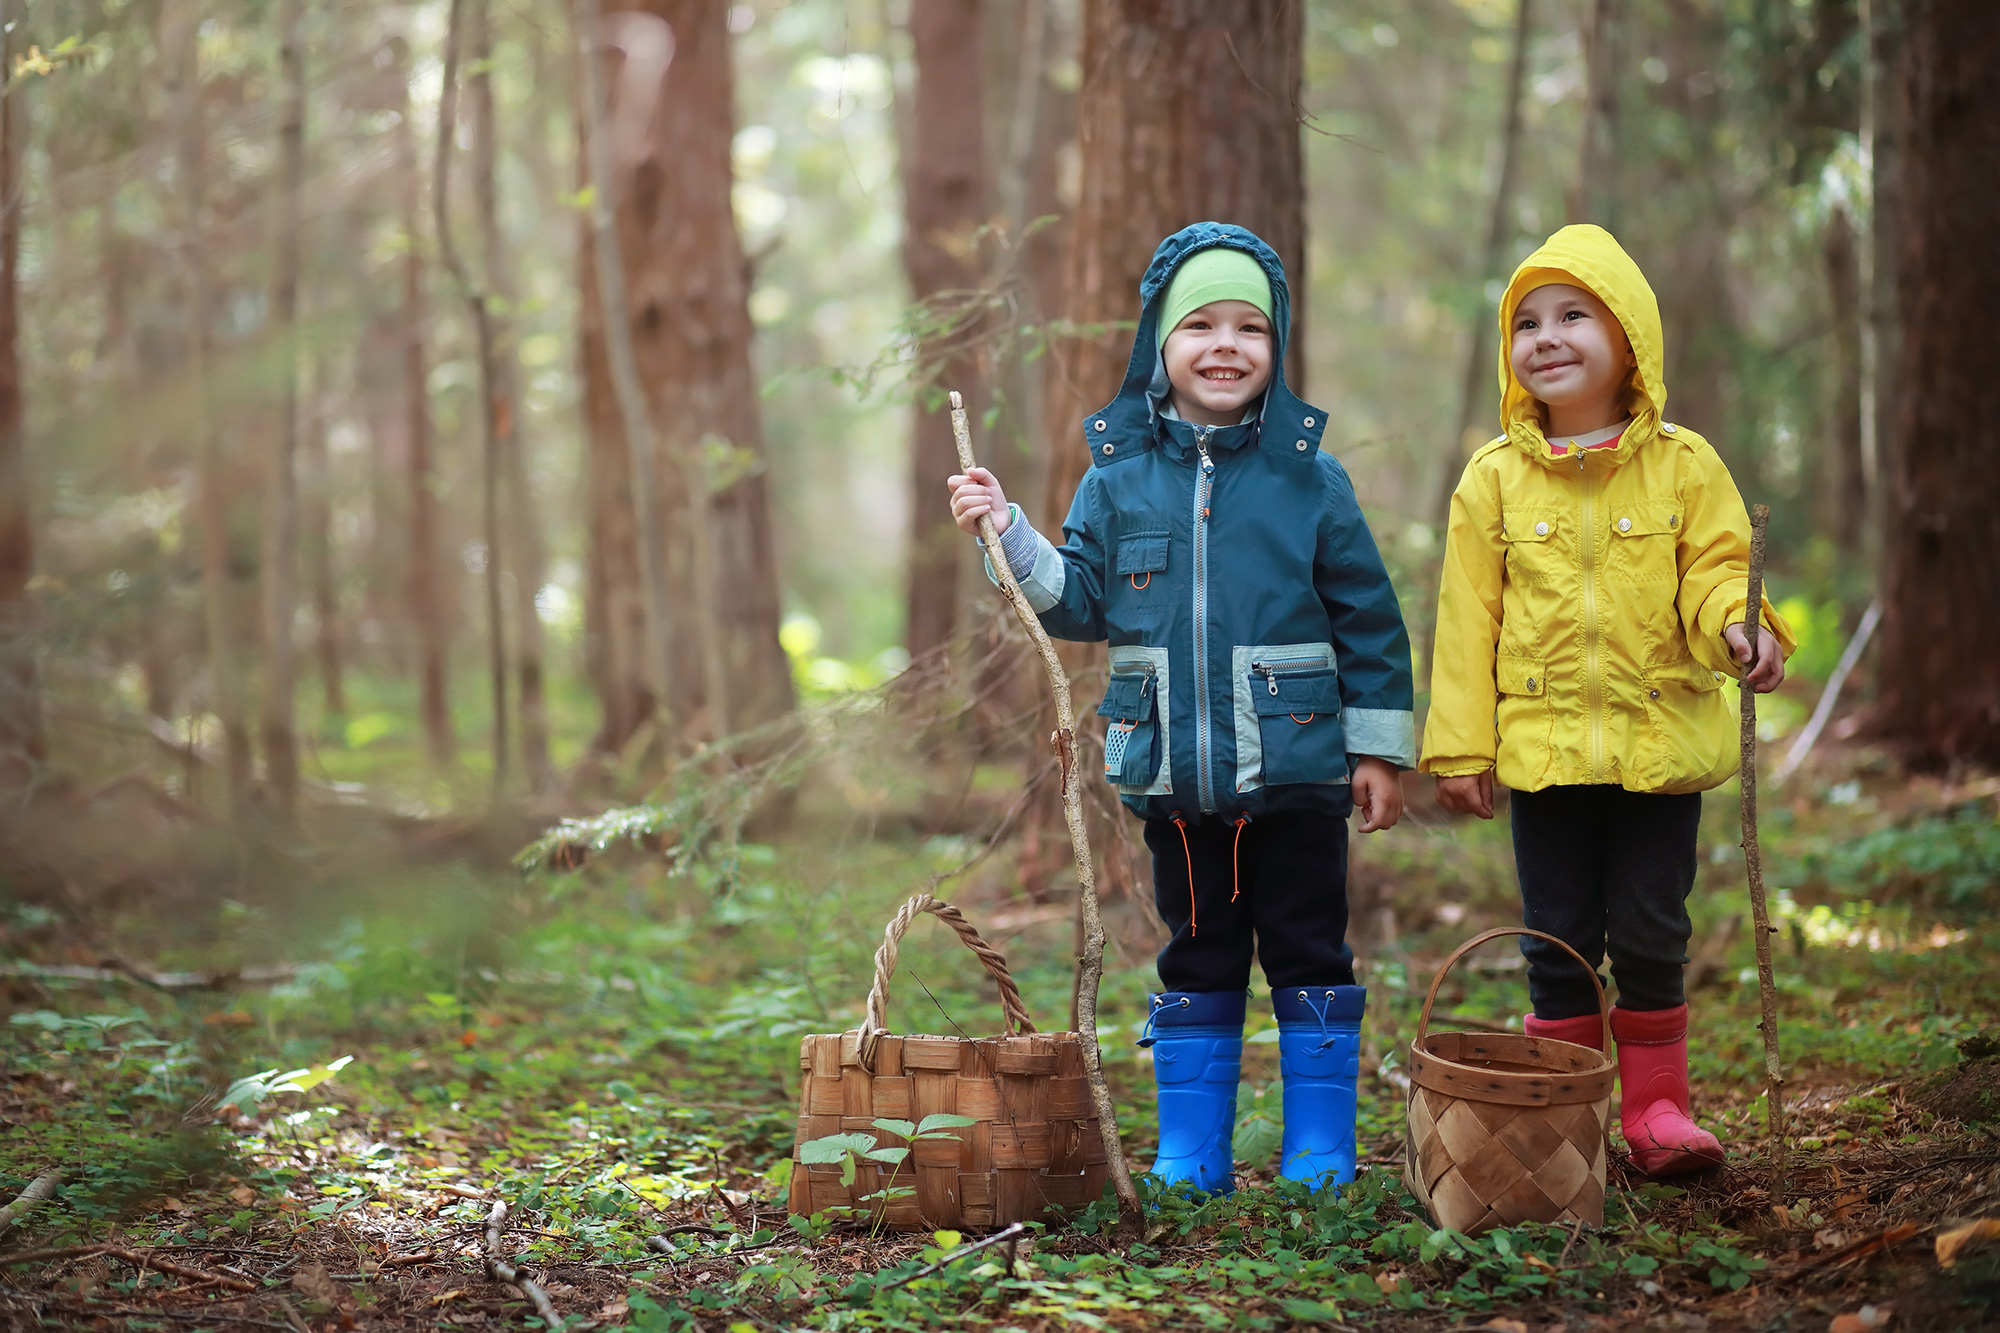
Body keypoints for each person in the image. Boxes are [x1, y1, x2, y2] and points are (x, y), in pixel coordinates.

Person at [946, 222, 1416, 1196]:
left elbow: (1365, 615)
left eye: (1249, 326)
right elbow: (1079, 599)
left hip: (1295, 776)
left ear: (1274, 347)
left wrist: (1375, 750)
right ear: (1157, 343)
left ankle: (1318, 1147)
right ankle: (1191, 1150)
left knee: (1308, 949)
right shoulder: (1118, 479)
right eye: (1199, 322)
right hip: (1174, 779)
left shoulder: (1307, 477)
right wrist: (1009, 532)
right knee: (1195, 955)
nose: (1224, 344)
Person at [1420, 224, 1794, 1176]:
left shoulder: (1683, 463)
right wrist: (1460, 748)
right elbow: (1468, 621)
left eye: (1574, 316)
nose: (1546, 337)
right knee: (1557, 938)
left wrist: (1740, 628)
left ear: (1629, 337)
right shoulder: (1492, 480)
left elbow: (1714, 570)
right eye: (1527, 322)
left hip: (1657, 743)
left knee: (1651, 928)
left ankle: (1657, 1109)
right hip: (1544, 751)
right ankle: (1568, 1111)